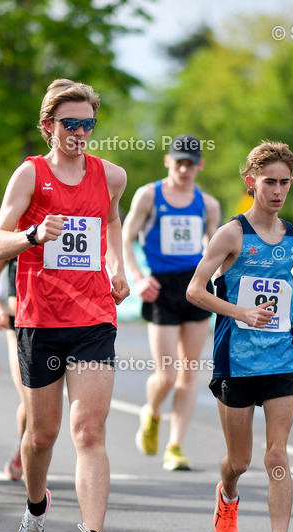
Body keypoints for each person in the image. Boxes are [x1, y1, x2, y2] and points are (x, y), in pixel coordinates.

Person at [0, 78, 129, 532]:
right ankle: (35, 508)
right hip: (39, 318)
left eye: (88, 124)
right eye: (70, 124)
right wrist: (31, 233)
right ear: (48, 126)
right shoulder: (30, 176)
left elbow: (112, 222)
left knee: (88, 430)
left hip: (93, 316)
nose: (80, 132)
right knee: (42, 435)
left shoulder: (111, 176)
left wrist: (118, 265)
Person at [186, 140, 293, 532]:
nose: (277, 191)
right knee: (238, 461)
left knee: (276, 453)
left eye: (284, 183)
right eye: (269, 182)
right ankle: (228, 492)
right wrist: (240, 312)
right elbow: (195, 290)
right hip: (235, 362)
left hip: (280, 358)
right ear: (250, 183)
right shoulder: (232, 235)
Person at [122, 134, 221, 471]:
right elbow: (125, 236)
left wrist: (218, 281)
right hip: (160, 288)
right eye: (178, 161)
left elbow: (214, 248)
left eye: (190, 163)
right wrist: (137, 277)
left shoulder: (207, 204)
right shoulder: (149, 195)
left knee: (189, 372)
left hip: (195, 287)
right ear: (167, 160)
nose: (184, 168)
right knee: (165, 376)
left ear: (199, 166)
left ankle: (175, 446)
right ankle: (151, 412)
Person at [0, 256, 26, 480]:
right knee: (30, 401)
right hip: (17, 325)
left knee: (50, 409)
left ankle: (27, 449)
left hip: (58, 324)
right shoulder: (17, 229)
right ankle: (23, 448)